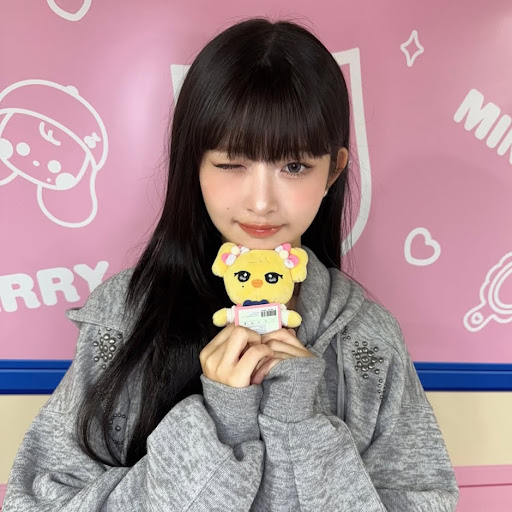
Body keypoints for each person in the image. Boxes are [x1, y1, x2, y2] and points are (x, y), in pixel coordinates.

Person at [3, 16, 459, 511]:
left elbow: (423, 499)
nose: (261, 202)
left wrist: (297, 424)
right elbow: (38, 501)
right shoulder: (126, 312)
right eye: (231, 163)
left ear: (334, 170)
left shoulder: (370, 339)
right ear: (193, 163)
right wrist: (219, 427)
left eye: (294, 166)